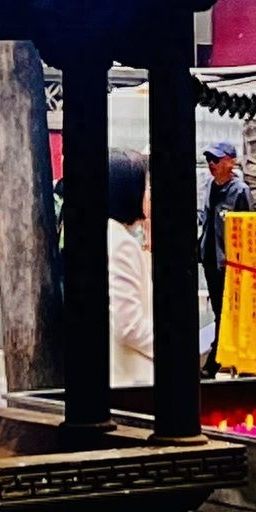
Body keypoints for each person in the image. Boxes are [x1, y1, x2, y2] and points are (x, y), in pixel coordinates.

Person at [198, 140, 253, 376]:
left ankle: (216, 361)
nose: (212, 164)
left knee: (227, 312)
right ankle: (217, 358)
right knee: (219, 311)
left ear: (231, 162)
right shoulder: (210, 186)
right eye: (210, 159)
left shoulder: (240, 191)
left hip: (228, 263)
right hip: (210, 260)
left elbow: (248, 228)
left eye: (217, 160)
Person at [106, 149, 153, 388]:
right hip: (131, 375)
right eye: (145, 188)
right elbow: (129, 325)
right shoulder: (121, 243)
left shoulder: (112, 235)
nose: (149, 195)